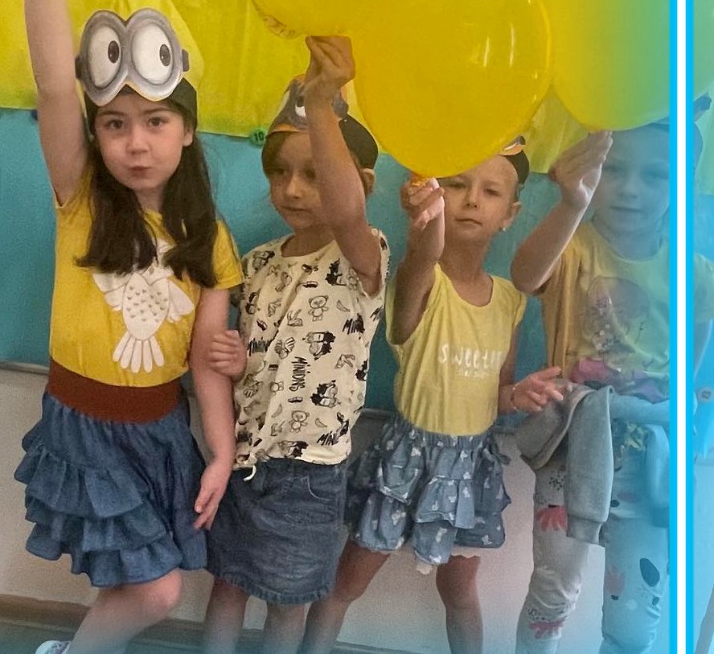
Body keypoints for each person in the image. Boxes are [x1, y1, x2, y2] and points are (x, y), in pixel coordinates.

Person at [13, 0, 241, 654]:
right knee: (156, 589)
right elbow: (54, 85)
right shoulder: (80, 196)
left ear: (188, 129)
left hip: (160, 434)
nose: (135, 143)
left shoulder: (211, 239)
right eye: (115, 123)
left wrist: (221, 449)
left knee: (135, 583)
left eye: (155, 121)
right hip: (86, 427)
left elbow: (207, 362)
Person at [302, 140, 564, 654]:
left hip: (470, 468)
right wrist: (427, 212)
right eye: (458, 184)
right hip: (406, 459)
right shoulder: (420, 280)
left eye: (490, 192)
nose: (472, 200)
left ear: (510, 215)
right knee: (346, 582)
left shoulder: (510, 300)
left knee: (460, 592)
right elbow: (426, 253)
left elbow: (498, 393)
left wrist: (518, 395)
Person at [201, 37, 390, 654]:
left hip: (309, 472)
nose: (292, 188)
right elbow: (257, 359)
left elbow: (347, 212)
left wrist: (324, 104)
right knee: (227, 585)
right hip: (245, 459)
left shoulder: (363, 254)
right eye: (280, 172)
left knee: (287, 605)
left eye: (313, 173)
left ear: (359, 183)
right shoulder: (257, 263)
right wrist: (237, 362)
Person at [512, 114, 714, 654]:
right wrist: (570, 204)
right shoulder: (573, 246)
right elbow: (525, 276)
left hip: (653, 460)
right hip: (575, 446)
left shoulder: (696, 273)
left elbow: (689, 364)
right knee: (552, 594)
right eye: (613, 169)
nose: (630, 189)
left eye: (656, 175)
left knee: (635, 619)